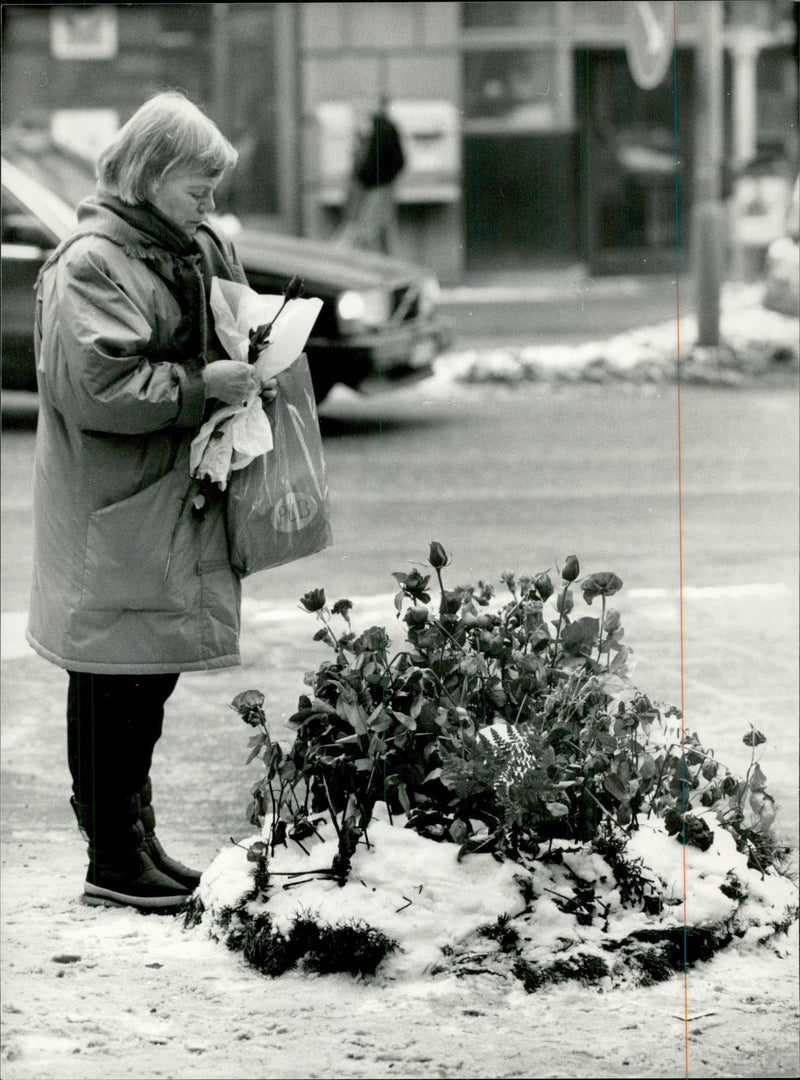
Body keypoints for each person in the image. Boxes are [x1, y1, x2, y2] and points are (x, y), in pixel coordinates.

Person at [26, 91, 278, 912]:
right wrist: (202, 386)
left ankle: (136, 836)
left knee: (149, 672)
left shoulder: (184, 243)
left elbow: (224, 325)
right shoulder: (92, 261)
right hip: (118, 503)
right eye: (197, 189)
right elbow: (100, 387)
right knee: (112, 676)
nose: (210, 207)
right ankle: (111, 852)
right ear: (148, 173)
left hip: (167, 497)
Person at [335, 97, 405, 254]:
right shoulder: (377, 131)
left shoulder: (381, 131)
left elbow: (386, 162)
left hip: (373, 187)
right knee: (379, 231)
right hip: (374, 187)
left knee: (367, 232)